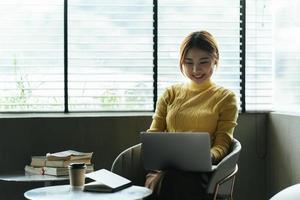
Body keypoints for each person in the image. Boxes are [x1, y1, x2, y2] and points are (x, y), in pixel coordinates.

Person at [144, 30, 239, 200]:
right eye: (188, 63)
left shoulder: (226, 98)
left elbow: (223, 144)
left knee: (174, 182)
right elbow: (154, 135)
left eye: (203, 62)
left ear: (215, 60)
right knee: (169, 179)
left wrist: (206, 156)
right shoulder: (170, 93)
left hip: (202, 174)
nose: (196, 70)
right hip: (164, 171)